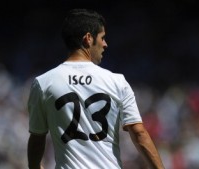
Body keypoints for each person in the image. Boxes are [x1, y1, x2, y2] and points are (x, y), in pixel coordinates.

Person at [27, 8, 165, 169]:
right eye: (102, 38)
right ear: (88, 38)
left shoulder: (43, 83)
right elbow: (139, 133)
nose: (105, 44)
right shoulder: (116, 81)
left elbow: (37, 137)